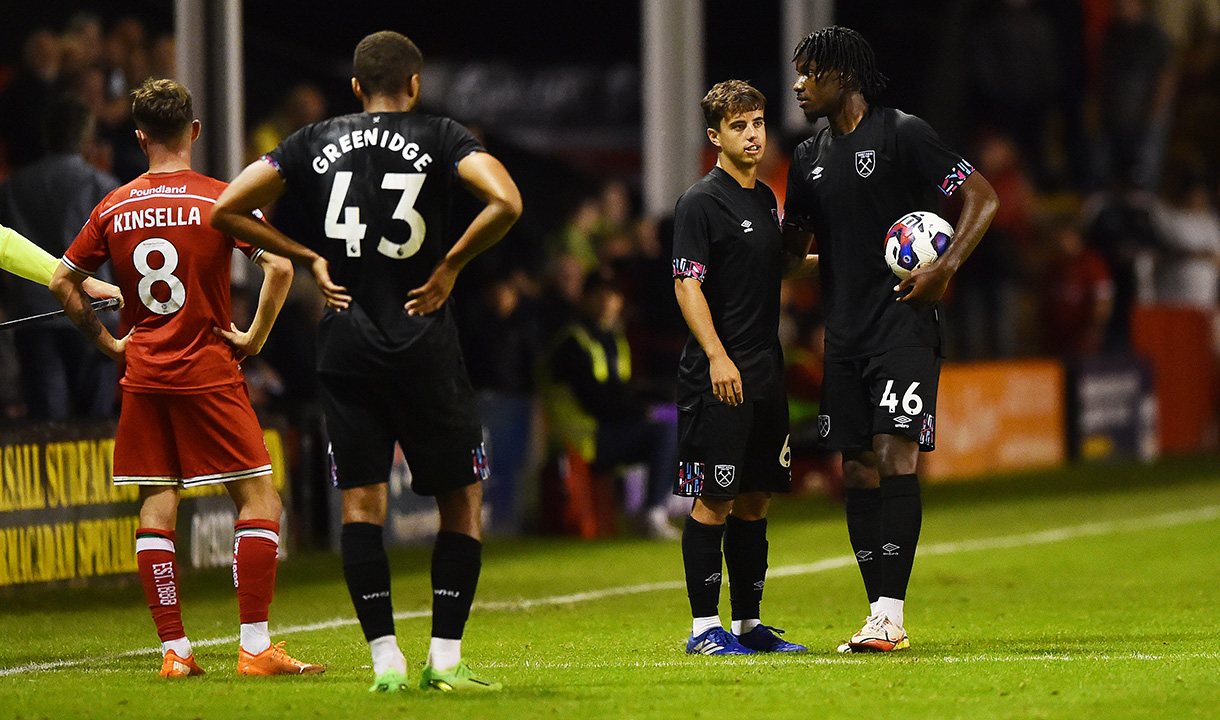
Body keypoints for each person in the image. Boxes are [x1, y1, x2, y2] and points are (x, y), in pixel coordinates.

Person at [211, 31, 522, 693]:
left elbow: (228, 208)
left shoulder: (314, 140)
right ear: (414, 83)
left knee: (360, 504)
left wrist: (306, 257)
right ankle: (444, 659)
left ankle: (385, 662)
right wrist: (451, 264)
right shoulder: (441, 135)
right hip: (424, 343)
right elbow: (507, 201)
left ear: (355, 87)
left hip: (345, 344)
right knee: (461, 502)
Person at [48, 78, 320, 678]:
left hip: (144, 374)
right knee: (259, 499)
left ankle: (175, 651)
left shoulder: (113, 205)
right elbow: (277, 267)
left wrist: (110, 343)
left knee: (156, 503)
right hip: (208, 370)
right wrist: (252, 339)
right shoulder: (220, 201)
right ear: (194, 131)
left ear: (139, 136)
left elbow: (63, 284)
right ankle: (254, 645)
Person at [783, 27, 998, 653]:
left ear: (844, 76)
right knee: (854, 467)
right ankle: (879, 612)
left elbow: (980, 197)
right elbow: (797, 248)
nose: (798, 84)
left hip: (903, 324)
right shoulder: (806, 157)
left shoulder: (903, 133)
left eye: (810, 72)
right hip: (843, 333)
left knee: (893, 453)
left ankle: (890, 613)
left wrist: (945, 268)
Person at [671, 80, 815, 656]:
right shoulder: (701, 202)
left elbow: (776, 270)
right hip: (719, 375)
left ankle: (748, 626)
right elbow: (688, 284)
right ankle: (704, 628)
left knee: (756, 498)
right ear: (715, 137)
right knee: (716, 499)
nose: (753, 134)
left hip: (764, 371)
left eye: (757, 123)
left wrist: (857, 258)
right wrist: (716, 356)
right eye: (739, 126)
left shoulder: (763, 199)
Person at [0, 94, 121, 420]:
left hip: (35, 318)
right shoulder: (104, 186)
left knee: (46, 427)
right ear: (86, 137)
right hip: (94, 313)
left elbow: (6, 251)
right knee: (95, 428)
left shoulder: (13, 186)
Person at [539, 272, 679, 540]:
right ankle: (653, 515)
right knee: (665, 431)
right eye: (599, 295)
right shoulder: (572, 342)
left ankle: (664, 510)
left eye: (612, 295)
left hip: (601, 433)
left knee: (679, 423)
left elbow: (618, 391)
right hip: (580, 441)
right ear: (585, 299)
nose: (606, 302)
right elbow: (596, 400)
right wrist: (643, 412)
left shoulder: (612, 338)